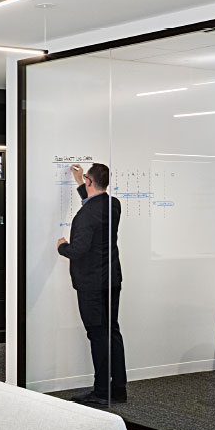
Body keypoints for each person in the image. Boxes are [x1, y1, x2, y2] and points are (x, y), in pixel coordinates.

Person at [57, 163, 128, 405]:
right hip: (111, 281)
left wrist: (61, 247)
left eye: (86, 179)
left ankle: (100, 392)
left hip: (91, 286)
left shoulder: (86, 215)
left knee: (98, 335)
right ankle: (118, 388)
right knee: (112, 332)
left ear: (90, 181)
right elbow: (95, 205)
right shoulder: (113, 205)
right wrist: (81, 182)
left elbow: (78, 250)